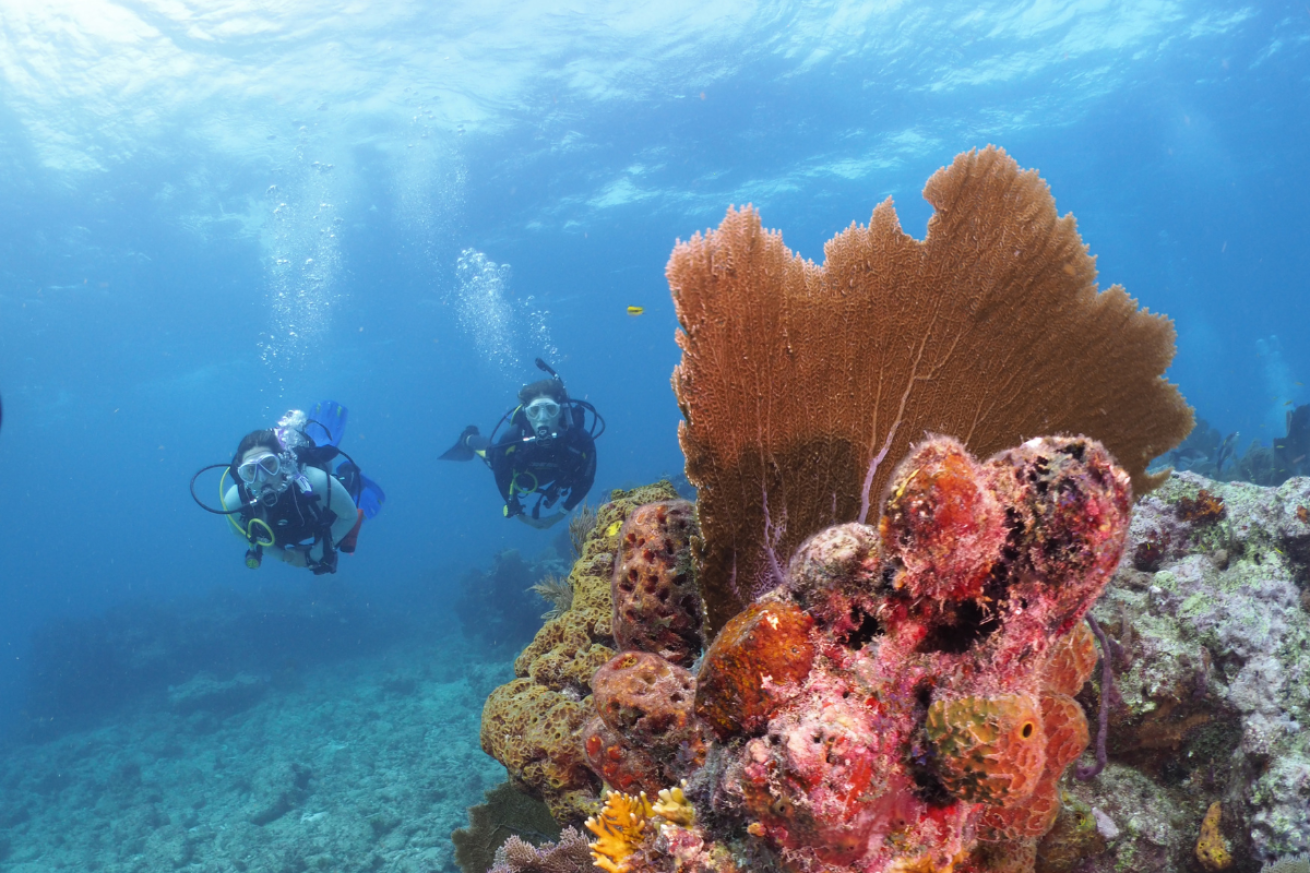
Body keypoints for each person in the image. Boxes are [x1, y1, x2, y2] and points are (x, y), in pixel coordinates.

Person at [191, 401, 385, 573]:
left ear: (283, 462)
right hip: (284, 535)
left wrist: (316, 553)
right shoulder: (236, 499)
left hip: (319, 519)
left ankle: (347, 474)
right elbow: (238, 532)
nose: (263, 478)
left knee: (340, 488)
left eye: (269, 464)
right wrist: (284, 556)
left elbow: (349, 516)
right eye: (251, 471)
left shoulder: (314, 481)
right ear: (242, 475)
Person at [441, 360, 602, 529]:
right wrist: (519, 513)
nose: (543, 417)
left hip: (554, 477)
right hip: (520, 475)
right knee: (491, 455)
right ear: (527, 415)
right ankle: (468, 437)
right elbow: (501, 477)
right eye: (534, 411)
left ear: (560, 411)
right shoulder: (511, 439)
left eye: (550, 409)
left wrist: (560, 514)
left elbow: (586, 479)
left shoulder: (581, 441)